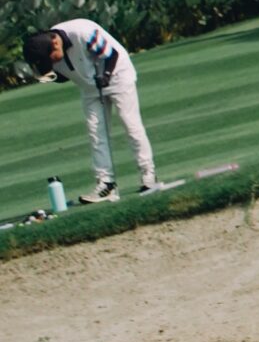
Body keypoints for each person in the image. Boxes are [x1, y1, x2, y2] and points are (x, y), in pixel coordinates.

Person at [24, 17, 163, 203]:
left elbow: (110, 55)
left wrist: (105, 76)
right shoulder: (47, 49)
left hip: (117, 75)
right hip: (89, 87)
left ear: (55, 43)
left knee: (130, 124)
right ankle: (106, 184)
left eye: (50, 59)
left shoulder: (83, 32)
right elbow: (63, 74)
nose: (52, 63)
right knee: (96, 133)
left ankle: (148, 175)